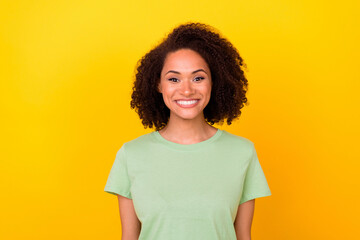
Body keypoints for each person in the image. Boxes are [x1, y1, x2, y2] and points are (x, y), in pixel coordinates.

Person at [104, 22, 271, 240]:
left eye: (198, 78)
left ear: (213, 82)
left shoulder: (242, 152)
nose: (186, 90)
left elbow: (243, 236)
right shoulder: (131, 154)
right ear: (159, 85)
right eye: (174, 79)